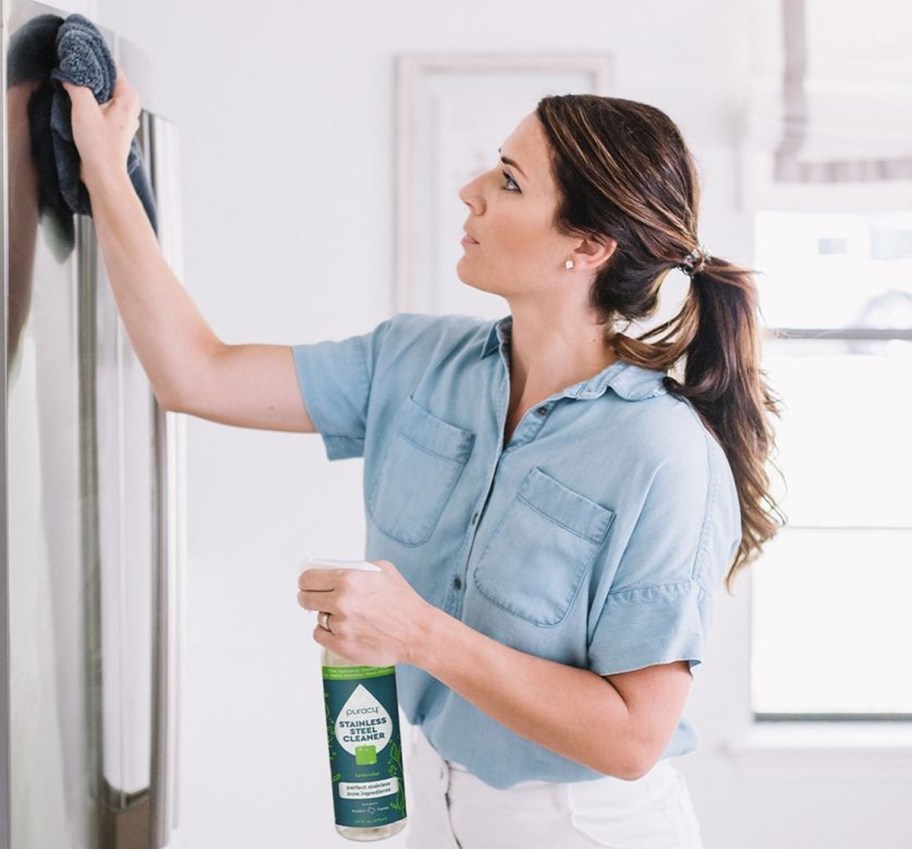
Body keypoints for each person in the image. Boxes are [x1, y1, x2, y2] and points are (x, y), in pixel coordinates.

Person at [64, 75, 781, 848]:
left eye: (509, 181)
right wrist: (105, 173)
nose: (470, 192)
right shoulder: (415, 361)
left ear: (588, 246)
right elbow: (194, 373)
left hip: (586, 827)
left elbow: (635, 737)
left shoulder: (664, 452)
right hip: (438, 804)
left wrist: (417, 633)